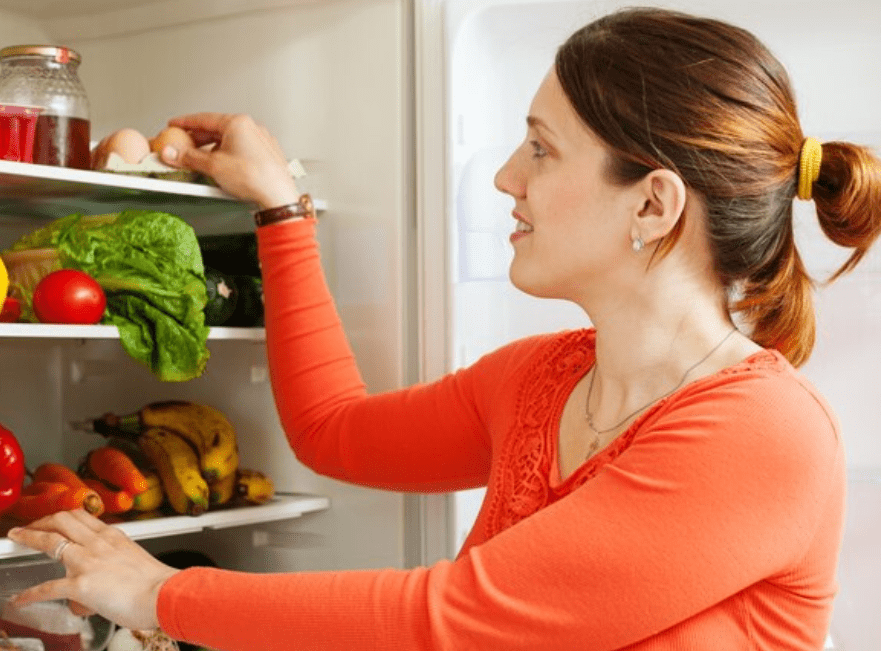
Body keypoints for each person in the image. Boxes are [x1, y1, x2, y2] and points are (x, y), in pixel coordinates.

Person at [7, 7, 881, 650]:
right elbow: (332, 430)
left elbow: (452, 617)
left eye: (540, 148)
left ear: (651, 204)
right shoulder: (541, 380)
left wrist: (162, 592)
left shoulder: (760, 434)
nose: (505, 177)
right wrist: (283, 209)